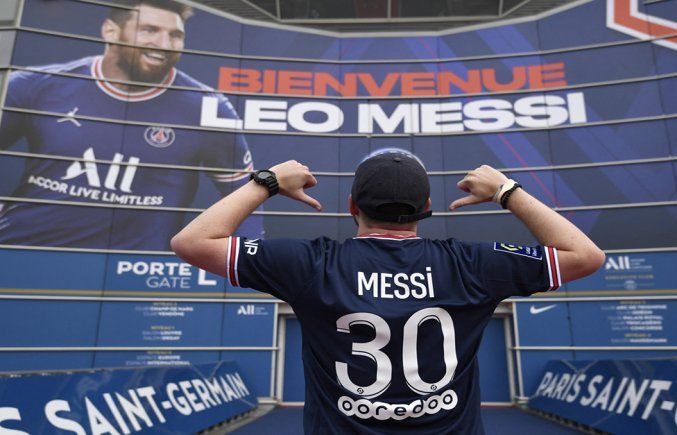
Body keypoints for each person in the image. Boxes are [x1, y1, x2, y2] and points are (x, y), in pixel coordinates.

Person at [171, 150, 605, 434]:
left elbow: (191, 242)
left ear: (353, 207)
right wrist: (507, 192)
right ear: (428, 210)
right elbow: (585, 255)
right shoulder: (471, 264)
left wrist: (265, 181)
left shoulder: (312, 263)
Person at [0, 0, 257, 251]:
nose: (164, 44)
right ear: (110, 30)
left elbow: (246, 193)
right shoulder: (34, 85)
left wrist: (249, 268)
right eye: (149, 30)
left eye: (175, 35)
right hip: (23, 256)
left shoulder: (209, 108)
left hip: (134, 276)